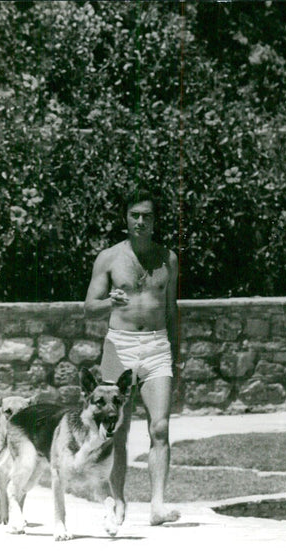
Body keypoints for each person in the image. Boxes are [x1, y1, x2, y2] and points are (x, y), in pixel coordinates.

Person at [84, 196, 180, 526]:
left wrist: (175, 357)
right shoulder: (109, 258)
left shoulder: (168, 258)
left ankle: (157, 506)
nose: (140, 222)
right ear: (126, 218)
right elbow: (88, 307)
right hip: (120, 346)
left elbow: (171, 310)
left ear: (155, 221)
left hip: (157, 346)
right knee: (116, 431)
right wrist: (110, 300)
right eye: (134, 215)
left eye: (147, 216)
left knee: (161, 427)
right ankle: (118, 501)